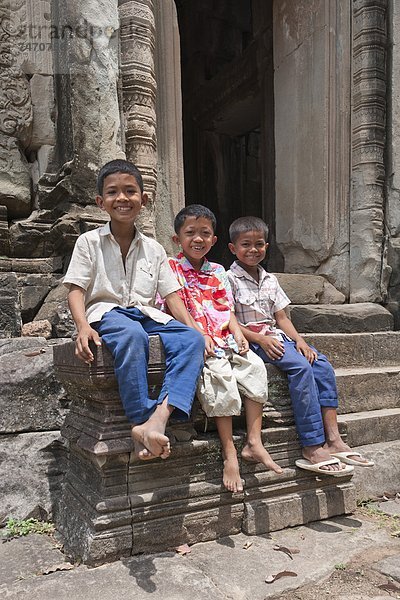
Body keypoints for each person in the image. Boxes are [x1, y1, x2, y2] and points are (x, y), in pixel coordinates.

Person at [63, 159, 205, 461]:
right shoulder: (88, 242)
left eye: (130, 191)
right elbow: (75, 289)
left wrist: (193, 326)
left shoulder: (153, 248)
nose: (122, 198)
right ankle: (140, 418)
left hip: (147, 313)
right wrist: (82, 328)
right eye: (113, 192)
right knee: (132, 335)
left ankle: (159, 418)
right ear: (102, 202)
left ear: (144, 199)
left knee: (192, 340)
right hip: (107, 313)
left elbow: (172, 294)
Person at [227, 216, 374, 476]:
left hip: (278, 337)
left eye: (259, 244)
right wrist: (260, 339)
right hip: (254, 341)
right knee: (300, 369)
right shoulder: (228, 279)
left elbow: (282, 318)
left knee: (321, 364)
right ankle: (312, 444)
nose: (253, 250)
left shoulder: (270, 279)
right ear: (233, 248)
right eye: (246, 244)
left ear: (267, 246)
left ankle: (334, 438)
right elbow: (229, 322)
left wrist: (301, 341)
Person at [166, 204, 283, 494]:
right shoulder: (170, 267)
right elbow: (173, 304)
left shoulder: (217, 271)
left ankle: (254, 442)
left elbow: (226, 308)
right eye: (190, 233)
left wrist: (237, 333)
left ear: (214, 240)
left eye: (205, 233)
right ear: (176, 238)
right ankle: (229, 452)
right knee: (223, 383)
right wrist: (196, 333)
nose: (198, 239)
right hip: (200, 341)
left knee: (255, 370)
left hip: (225, 338)